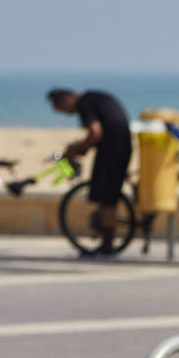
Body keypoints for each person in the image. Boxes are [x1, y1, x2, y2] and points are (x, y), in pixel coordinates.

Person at [46, 87, 133, 257]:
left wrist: (76, 149)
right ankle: (106, 242)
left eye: (64, 110)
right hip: (118, 147)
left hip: (112, 150)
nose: (68, 113)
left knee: (107, 198)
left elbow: (95, 133)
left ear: (67, 99)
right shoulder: (93, 98)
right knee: (108, 195)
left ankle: (107, 246)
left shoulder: (84, 103)